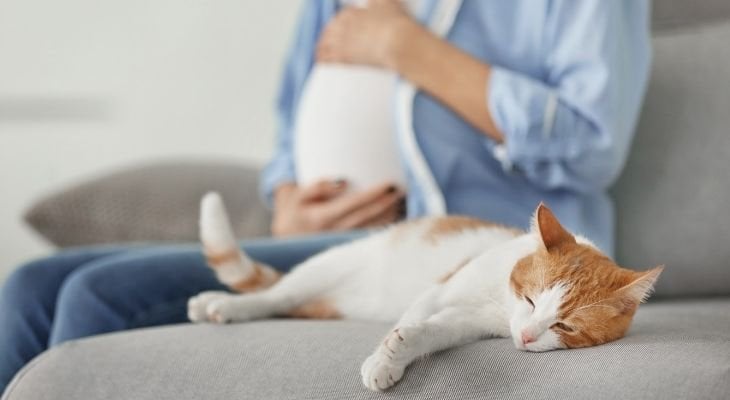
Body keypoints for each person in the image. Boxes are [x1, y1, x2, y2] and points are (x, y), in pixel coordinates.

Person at [0, 0, 651, 393]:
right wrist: (284, 194)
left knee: (96, 293)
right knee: (32, 285)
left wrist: (405, 46)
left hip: (480, 249)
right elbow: (290, 112)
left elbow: (593, 140)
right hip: (335, 235)